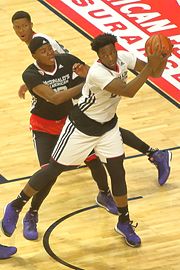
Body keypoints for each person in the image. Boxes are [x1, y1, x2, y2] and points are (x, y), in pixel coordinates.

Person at [11, 11, 171, 241]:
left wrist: (161, 58)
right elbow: (129, 91)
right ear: (34, 56)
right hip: (69, 126)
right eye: (103, 53)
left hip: (103, 126)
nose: (108, 56)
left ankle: (121, 217)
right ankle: (23, 209)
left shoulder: (71, 60)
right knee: (51, 170)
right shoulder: (95, 72)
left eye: (111, 51)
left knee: (114, 170)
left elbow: (154, 72)